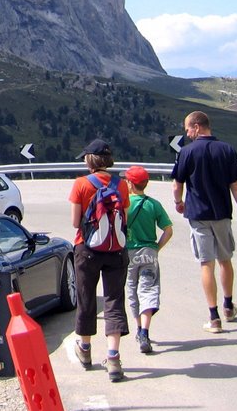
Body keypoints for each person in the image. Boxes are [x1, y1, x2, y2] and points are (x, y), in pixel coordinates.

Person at [171, 111, 237, 333]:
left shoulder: (186, 152)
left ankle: (213, 316)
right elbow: (235, 185)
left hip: (198, 216)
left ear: (197, 127)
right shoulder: (227, 150)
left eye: (188, 129)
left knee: (205, 263)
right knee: (225, 260)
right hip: (222, 214)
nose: (187, 133)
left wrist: (178, 202)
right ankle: (228, 306)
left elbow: (177, 183)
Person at [68, 139, 130, 382]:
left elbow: (75, 222)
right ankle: (113, 357)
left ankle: (85, 349)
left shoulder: (80, 184)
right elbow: (123, 216)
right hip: (115, 249)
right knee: (115, 300)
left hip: (87, 249)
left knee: (86, 298)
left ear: (90, 160)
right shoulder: (121, 184)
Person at [122, 165, 173, 354]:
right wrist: (156, 248)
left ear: (130, 183)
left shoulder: (125, 205)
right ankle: (145, 331)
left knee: (132, 292)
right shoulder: (154, 204)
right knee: (148, 290)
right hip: (149, 253)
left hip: (129, 253)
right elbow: (168, 230)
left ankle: (137, 328)